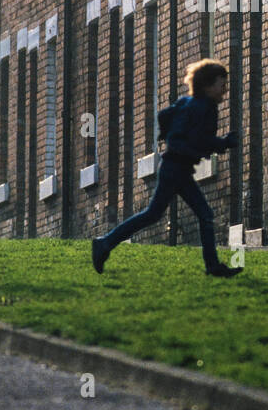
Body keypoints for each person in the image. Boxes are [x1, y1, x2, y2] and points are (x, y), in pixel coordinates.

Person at [92, 59, 243, 277]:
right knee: (189, 214)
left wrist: (169, 135)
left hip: (176, 167)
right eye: (222, 85)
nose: (224, 90)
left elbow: (165, 115)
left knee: (166, 214)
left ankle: (105, 243)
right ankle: (104, 243)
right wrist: (223, 143)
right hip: (176, 168)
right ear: (207, 86)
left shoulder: (188, 102)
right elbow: (199, 138)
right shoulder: (203, 107)